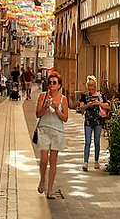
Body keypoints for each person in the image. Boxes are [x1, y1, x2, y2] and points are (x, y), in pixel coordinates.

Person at [35, 71, 68, 199]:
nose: (52, 84)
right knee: (43, 159)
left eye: (55, 82)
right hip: (44, 129)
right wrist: (46, 106)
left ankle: (50, 190)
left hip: (57, 131)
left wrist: (57, 109)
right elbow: (38, 114)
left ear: (59, 85)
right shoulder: (43, 96)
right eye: (50, 82)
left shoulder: (63, 99)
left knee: (53, 161)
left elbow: (65, 118)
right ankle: (42, 179)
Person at [78, 75, 109, 171]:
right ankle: (85, 162)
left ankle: (96, 160)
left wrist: (98, 103)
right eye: (89, 89)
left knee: (97, 141)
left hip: (98, 121)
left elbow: (107, 106)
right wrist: (86, 105)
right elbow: (81, 107)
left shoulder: (100, 96)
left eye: (92, 89)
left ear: (95, 87)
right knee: (87, 141)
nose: (90, 91)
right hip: (88, 121)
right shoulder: (84, 96)